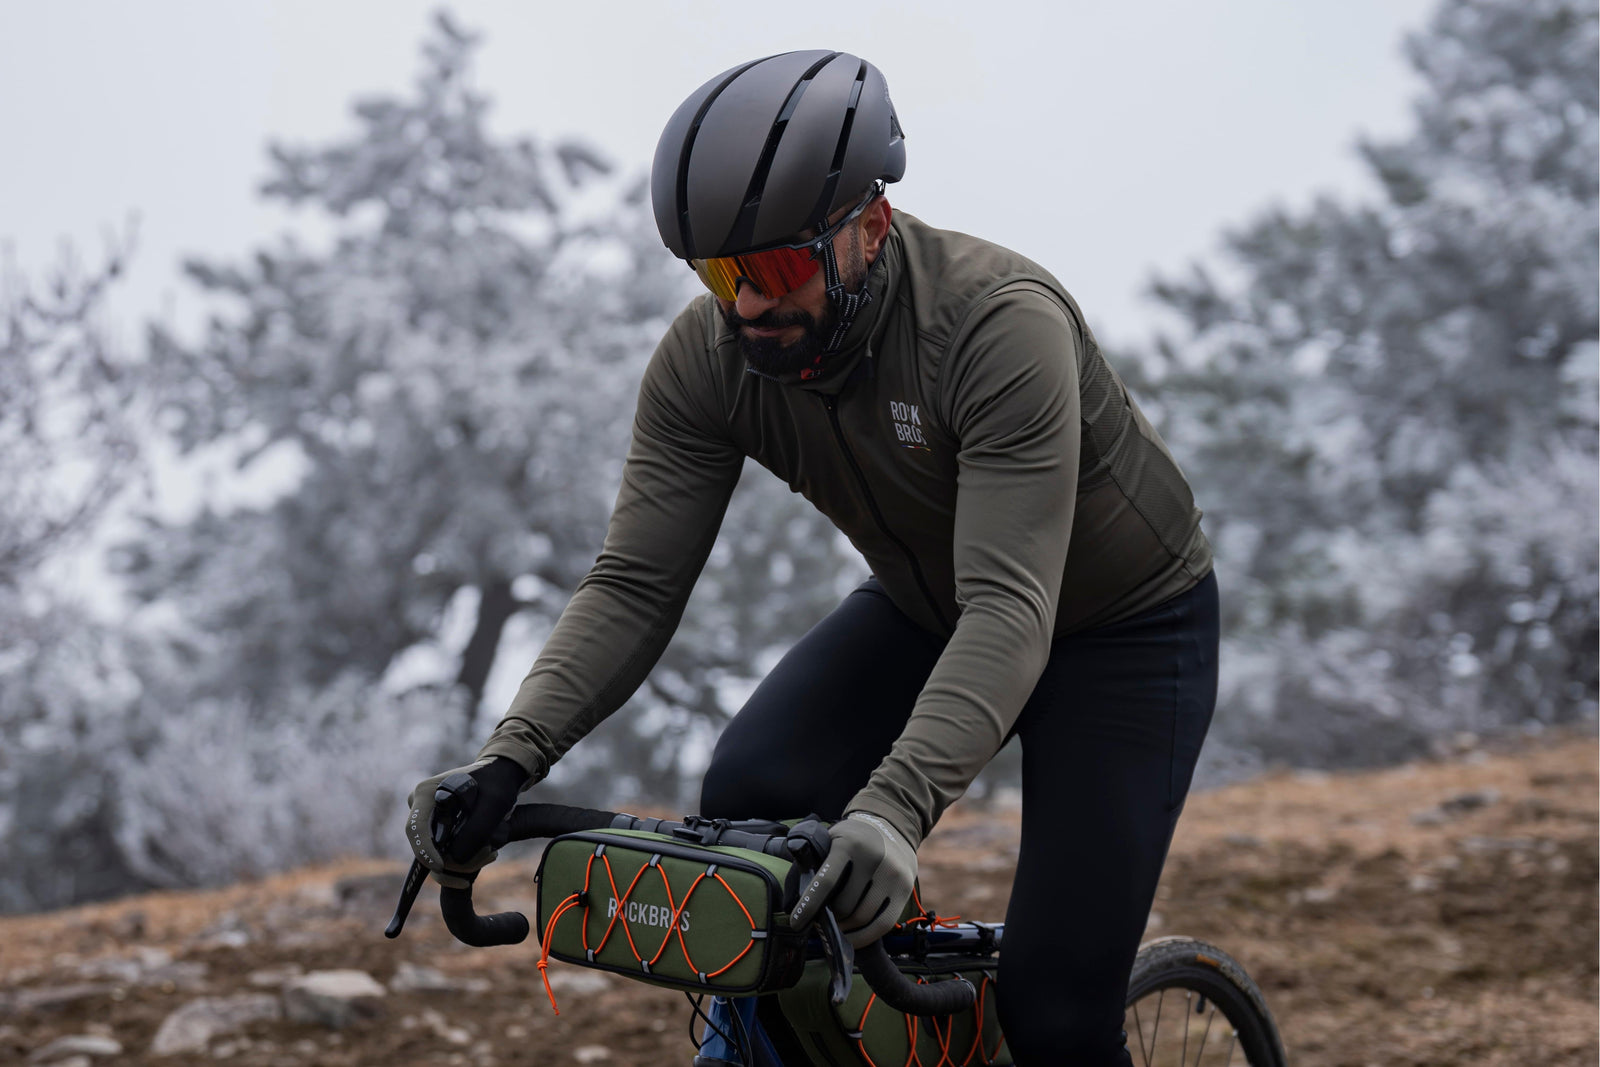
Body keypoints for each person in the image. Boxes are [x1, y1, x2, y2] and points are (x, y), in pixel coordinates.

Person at [407, 50, 1217, 1064]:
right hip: (929, 605)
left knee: (1056, 1009)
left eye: (775, 268)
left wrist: (889, 812)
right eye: (716, 273)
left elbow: (1011, 604)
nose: (744, 304)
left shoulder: (997, 325)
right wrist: (508, 754)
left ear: (868, 228)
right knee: (752, 790)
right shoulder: (710, 362)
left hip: (1120, 632)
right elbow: (634, 581)